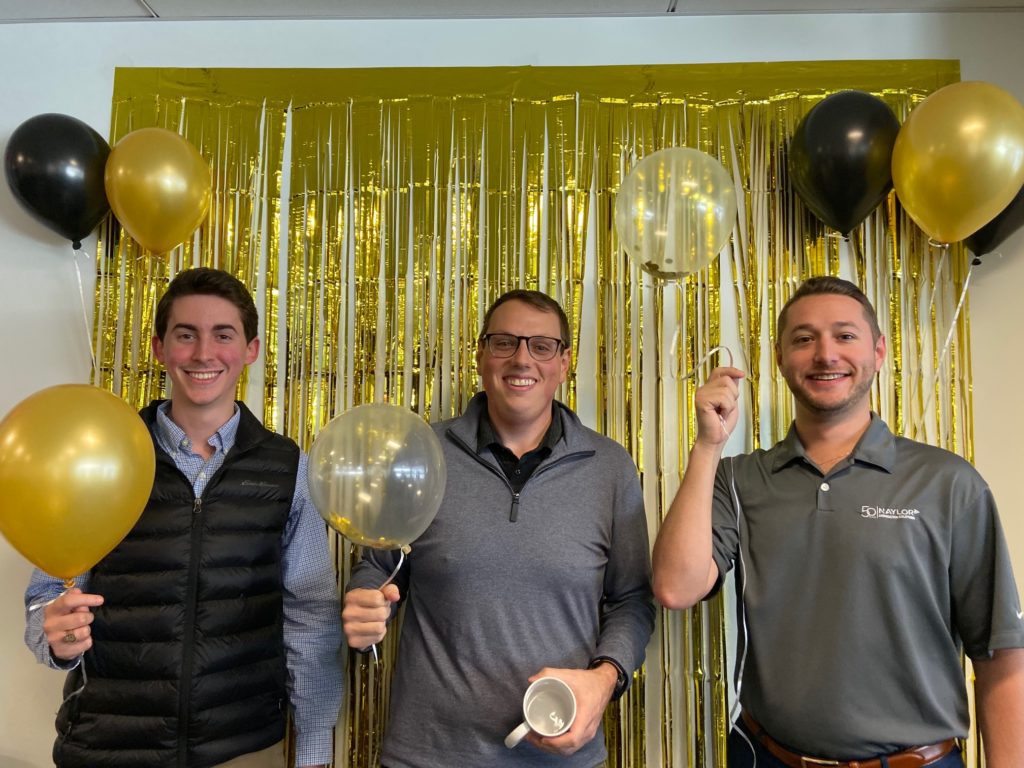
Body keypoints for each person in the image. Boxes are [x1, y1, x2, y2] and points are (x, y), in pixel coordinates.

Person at [652, 275, 1024, 767]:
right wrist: (708, 445)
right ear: (780, 359)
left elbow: (1000, 652)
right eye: (804, 339)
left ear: (879, 351)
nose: (825, 355)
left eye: (845, 336)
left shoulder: (948, 482)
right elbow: (675, 589)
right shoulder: (739, 478)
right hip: (766, 756)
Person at [24, 267, 344, 768]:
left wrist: (313, 749)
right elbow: (45, 597)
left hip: (243, 748)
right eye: (185, 335)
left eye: (223, 335)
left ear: (251, 350)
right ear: (159, 347)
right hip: (109, 745)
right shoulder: (101, 457)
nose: (203, 354)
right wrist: (55, 639)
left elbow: (310, 615)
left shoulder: (288, 468)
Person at [343, 289, 655, 767]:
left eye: (541, 345)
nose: (522, 359)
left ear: (564, 362)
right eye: (504, 342)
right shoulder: (422, 453)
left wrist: (605, 676)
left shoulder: (610, 468)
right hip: (428, 755)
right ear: (482, 355)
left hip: (563, 757)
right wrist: (365, 601)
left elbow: (632, 599)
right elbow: (379, 566)